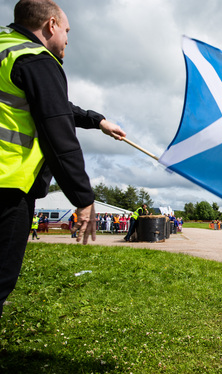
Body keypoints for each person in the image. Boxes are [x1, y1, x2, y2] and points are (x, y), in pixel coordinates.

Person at [0, 0, 126, 317]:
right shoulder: (37, 60)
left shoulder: (6, 49)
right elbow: (58, 134)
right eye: (67, 30)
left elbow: (50, 105)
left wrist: (97, 121)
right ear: (51, 25)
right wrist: (83, 198)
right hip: (8, 185)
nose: (68, 39)